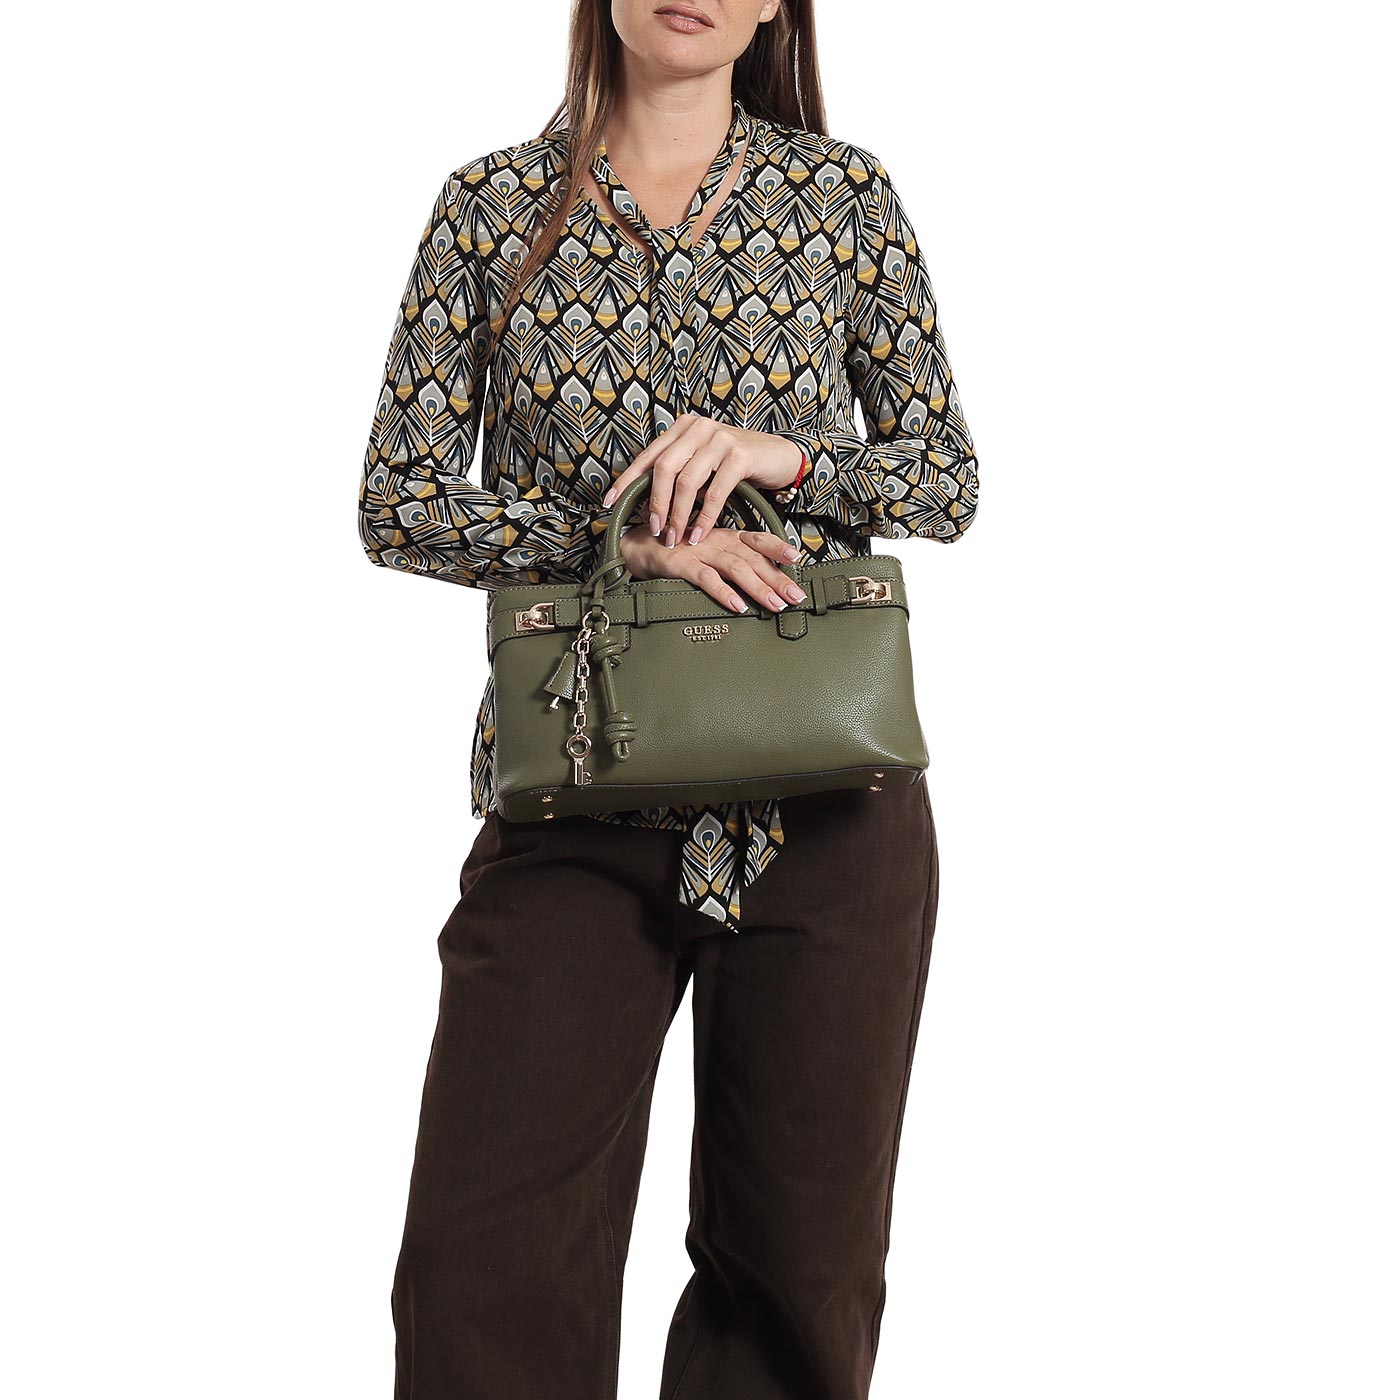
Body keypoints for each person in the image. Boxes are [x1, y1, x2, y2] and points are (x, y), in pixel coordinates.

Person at [357, 2, 979, 1395]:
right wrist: (612, 546)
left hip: (826, 802)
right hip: (575, 791)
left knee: (798, 1280)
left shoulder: (843, 197)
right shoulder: (490, 210)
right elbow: (397, 504)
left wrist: (788, 458)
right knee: (481, 1263)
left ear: (773, 6)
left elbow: (943, 478)